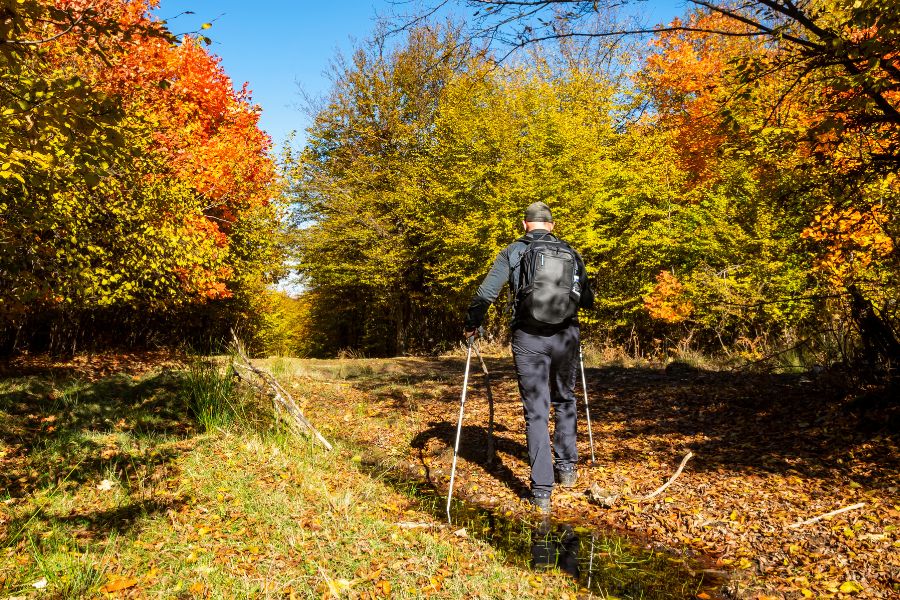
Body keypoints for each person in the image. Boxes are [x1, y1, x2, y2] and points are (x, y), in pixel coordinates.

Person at [464, 201, 594, 513]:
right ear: (552, 225)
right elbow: (587, 299)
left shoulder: (514, 251)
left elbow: (486, 293)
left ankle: (541, 492)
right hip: (566, 335)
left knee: (536, 410)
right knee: (565, 400)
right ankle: (568, 470)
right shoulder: (570, 252)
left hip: (529, 338)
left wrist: (472, 323)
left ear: (525, 225)